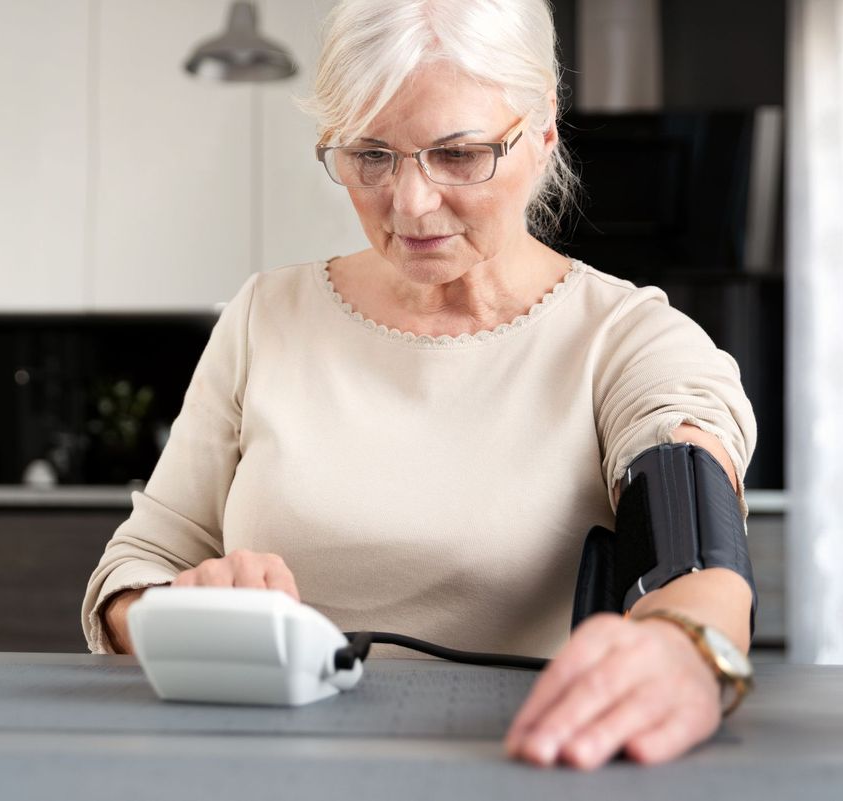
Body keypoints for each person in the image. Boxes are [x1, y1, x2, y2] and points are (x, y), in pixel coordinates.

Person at [82, 0, 756, 771]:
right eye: (370, 154)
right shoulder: (265, 317)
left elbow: (693, 554)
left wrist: (685, 645)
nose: (409, 203)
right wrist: (183, 611)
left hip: (516, 765)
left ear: (542, 130)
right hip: (256, 767)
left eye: (459, 154)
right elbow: (131, 573)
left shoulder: (627, 339)